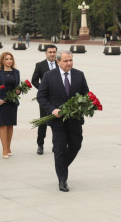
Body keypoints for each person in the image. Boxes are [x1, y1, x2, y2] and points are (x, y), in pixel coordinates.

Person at [37, 50, 89, 192]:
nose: (69, 63)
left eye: (71, 60)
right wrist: (52, 109)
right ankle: (62, 179)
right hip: (57, 120)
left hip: (75, 119)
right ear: (58, 62)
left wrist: (84, 105)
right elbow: (41, 96)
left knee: (76, 144)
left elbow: (86, 94)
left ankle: (61, 166)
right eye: (66, 61)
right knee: (59, 148)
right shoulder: (49, 76)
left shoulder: (79, 75)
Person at [0, 52, 21, 159]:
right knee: (3, 125)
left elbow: (17, 86)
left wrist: (18, 91)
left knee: (10, 125)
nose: (9, 61)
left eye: (10, 59)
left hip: (12, 102)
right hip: (1, 102)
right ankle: (4, 148)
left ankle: (8, 147)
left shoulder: (16, 72)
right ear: (2, 61)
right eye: (7, 59)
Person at [31, 45, 58, 155]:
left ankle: (55, 145)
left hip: (57, 99)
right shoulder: (40, 65)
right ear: (46, 53)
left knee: (56, 122)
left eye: (54, 52)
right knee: (43, 121)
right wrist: (43, 89)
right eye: (50, 52)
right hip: (45, 99)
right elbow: (34, 80)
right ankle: (40, 145)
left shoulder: (59, 64)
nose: (52, 54)